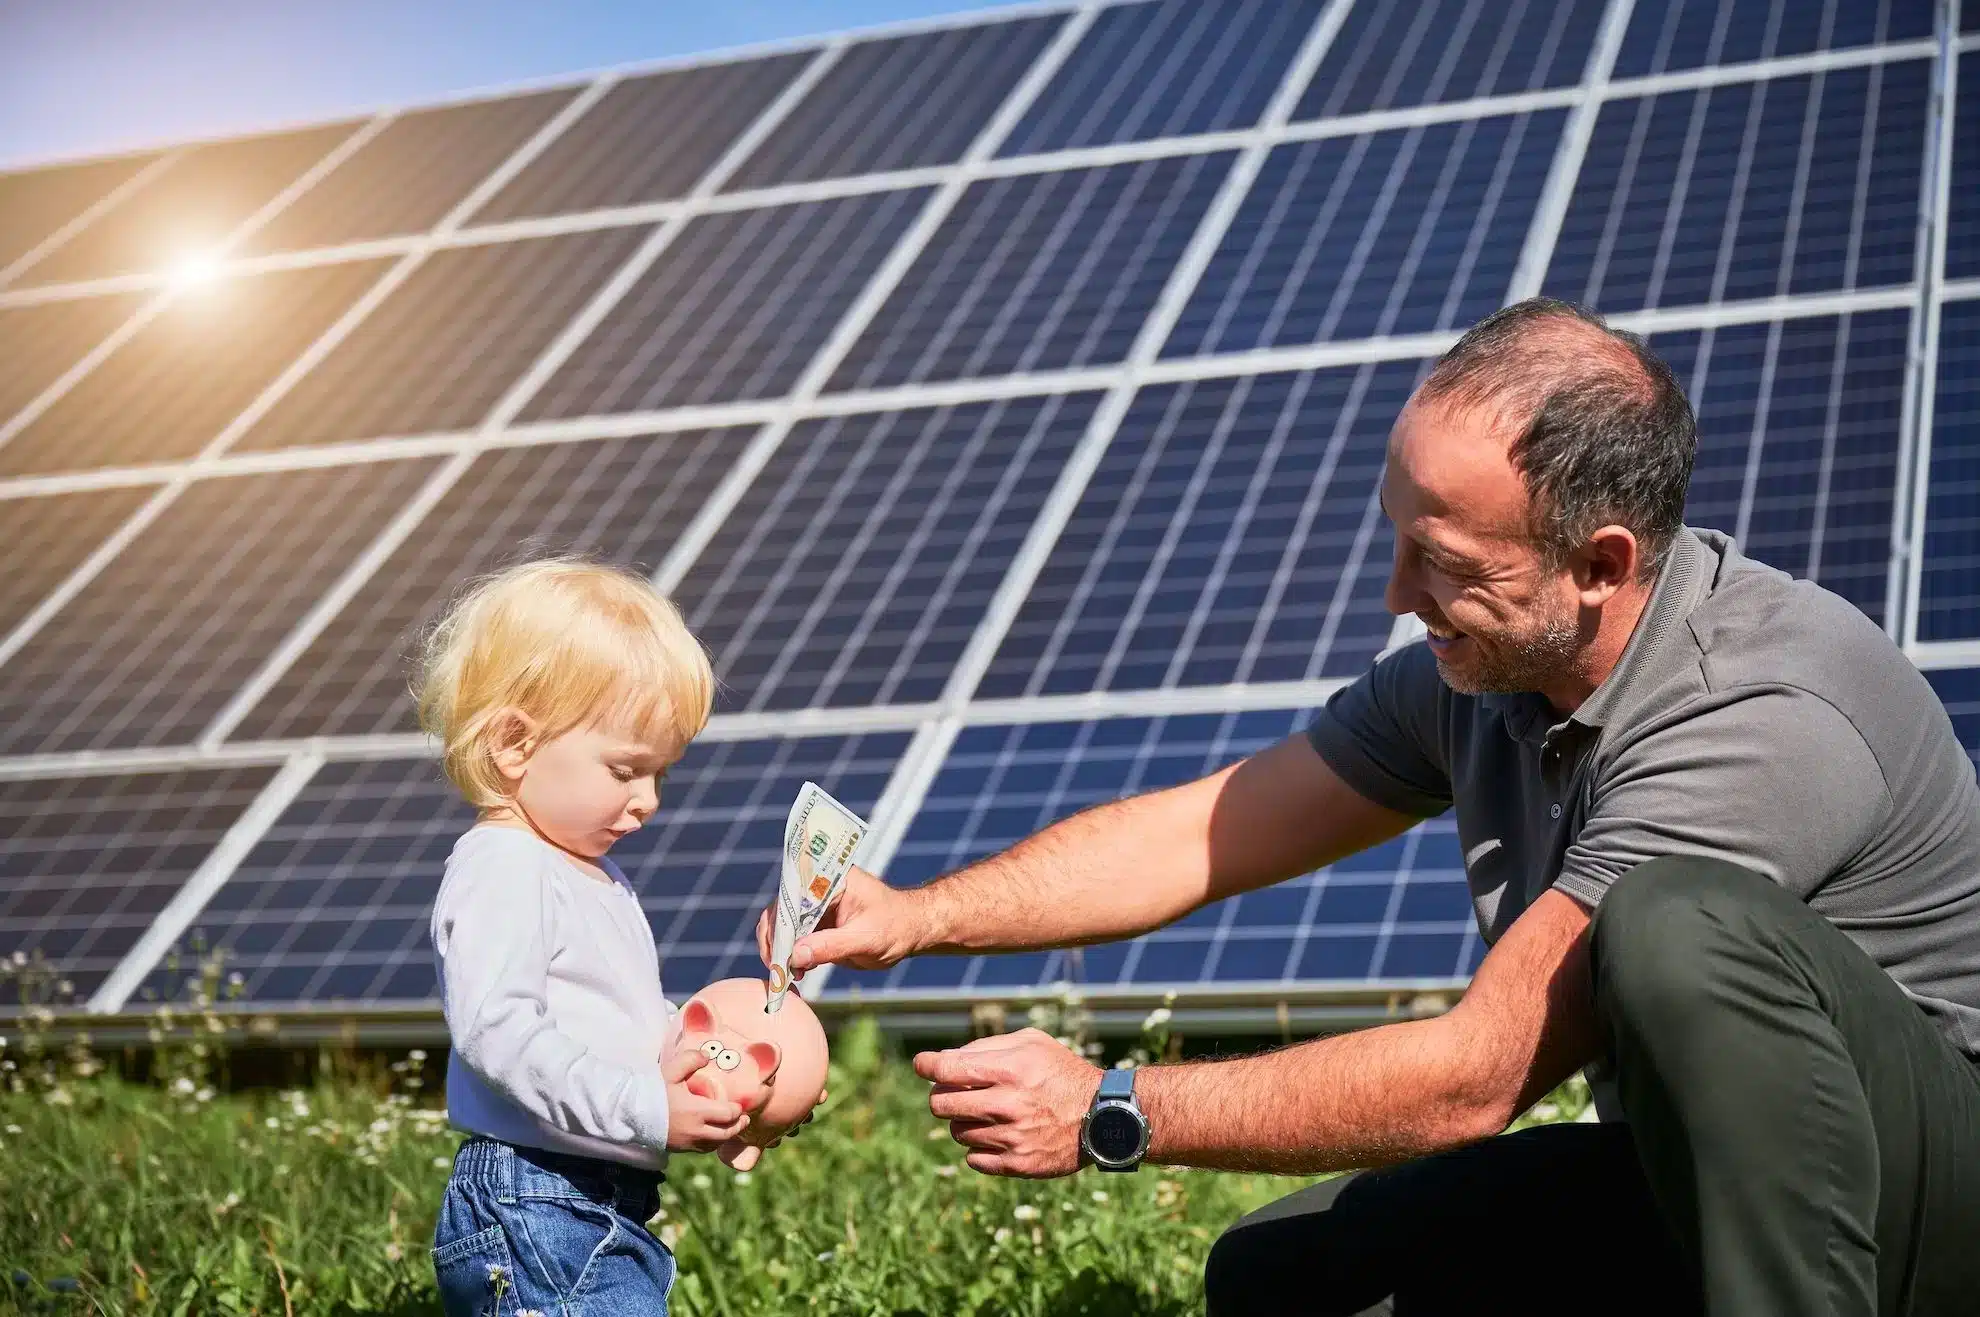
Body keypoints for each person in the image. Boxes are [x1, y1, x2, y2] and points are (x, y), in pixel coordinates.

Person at [761, 299, 1980, 1314]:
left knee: (1672, 928)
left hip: (1929, 1201)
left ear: (1600, 565)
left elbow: (1474, 1078)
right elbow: (1211, 828)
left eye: (1446, 564)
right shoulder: (1485, 668)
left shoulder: (1756, 711)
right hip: (1707, 1179)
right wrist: (916, 915)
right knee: (1290, 1273)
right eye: (1396, 542)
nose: (1400, 595)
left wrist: (1111, 1109)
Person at [421, 558, 769, 1317]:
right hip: (533, 1200)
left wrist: (712, 1077)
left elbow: (616, 1021)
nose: (648, 801)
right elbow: (500, 1031)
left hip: (585, 1200)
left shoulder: (589, 874)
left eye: (660, 775)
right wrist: (644, 1103)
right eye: (626, 769)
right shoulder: (505, 865)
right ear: (515, 744)